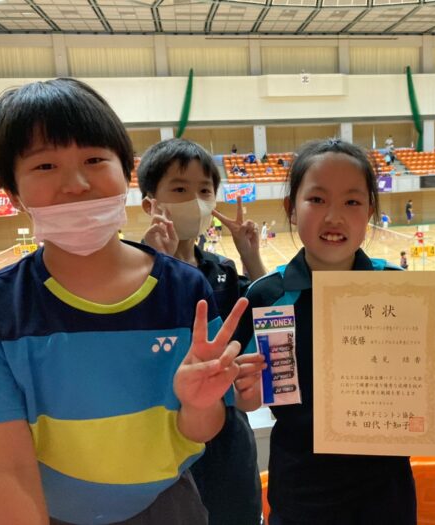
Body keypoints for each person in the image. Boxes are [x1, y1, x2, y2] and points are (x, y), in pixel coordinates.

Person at [0, 78, 260, 525]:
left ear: (126, 172)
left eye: (94, 159)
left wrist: (200, 403)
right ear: (13, 194)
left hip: (170, 505)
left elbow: (200, 430)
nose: (76, 183)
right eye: (45, 165)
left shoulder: (186, 290)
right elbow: (9, 470)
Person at [234, 139, 435, 525]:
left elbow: (410, 390)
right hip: (301, 489)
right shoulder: (267, 296)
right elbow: (246, 397)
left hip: (385, 490)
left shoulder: (398, 288)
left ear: (369, 212)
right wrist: (244, 393)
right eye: (317, 200)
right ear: (291, 208)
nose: (334, 216)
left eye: (352, 202)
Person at [137, 137, 268, 525]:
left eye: (205, 191)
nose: (195, 201)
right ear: (150, 204)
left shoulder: (222, 269)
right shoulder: (133, 273)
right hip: (165, 441)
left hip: (229, 441)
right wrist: (158, 267)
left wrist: (250, 255)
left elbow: (269, 319)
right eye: (180, 189)